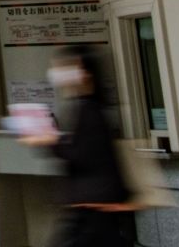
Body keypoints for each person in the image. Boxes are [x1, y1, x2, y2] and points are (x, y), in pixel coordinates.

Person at [22, 46, 132, 247]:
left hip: (91, 207)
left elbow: (81, 155)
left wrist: (49, 141)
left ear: (85, 73)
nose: (58, 73)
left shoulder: (90, 111)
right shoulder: (88, 107)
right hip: (94, 205)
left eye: (66, 67)